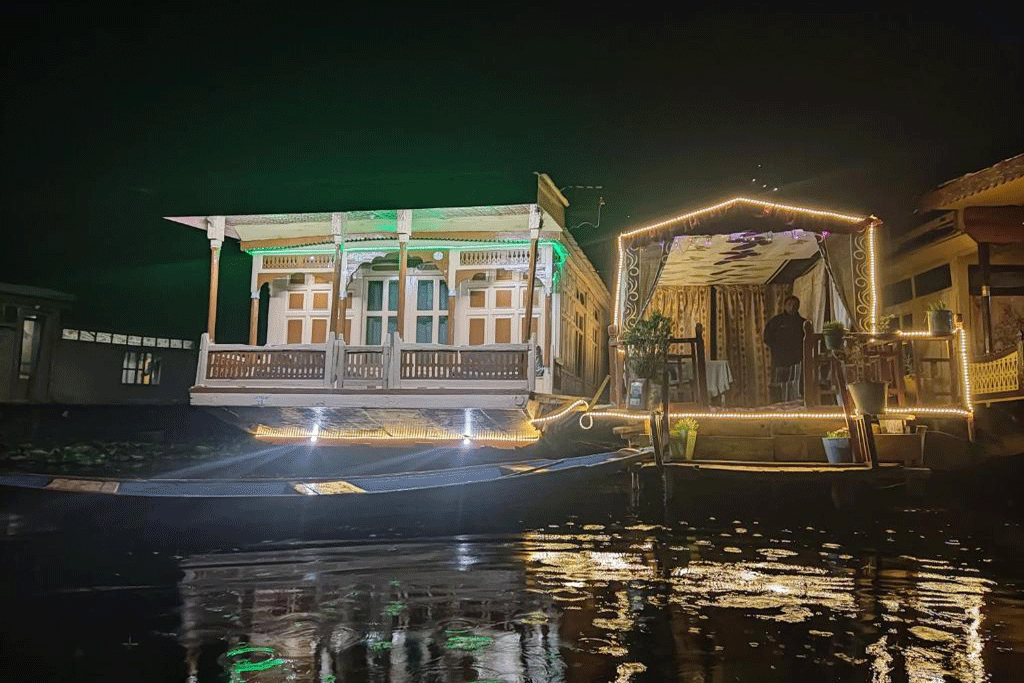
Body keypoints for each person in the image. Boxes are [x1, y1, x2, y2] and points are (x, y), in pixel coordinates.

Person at [764, 295, 806, 402]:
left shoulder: (803, 323)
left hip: (798, 360)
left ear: (798, 306)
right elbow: (767, 337)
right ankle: (779, 405)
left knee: (797, 385)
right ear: (784, 305)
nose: (791, 307)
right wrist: (777, 348)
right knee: (780, 385)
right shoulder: (776, 321)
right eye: (789, 304)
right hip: (780, 360)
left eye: (794, 305)